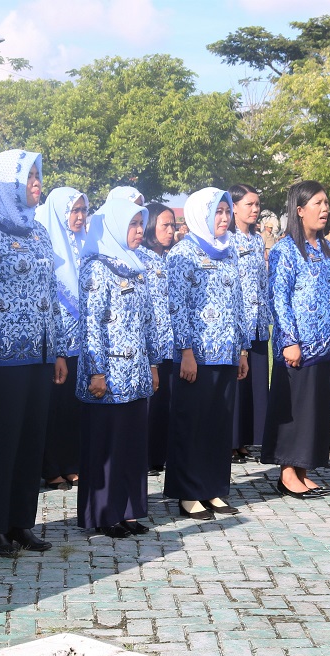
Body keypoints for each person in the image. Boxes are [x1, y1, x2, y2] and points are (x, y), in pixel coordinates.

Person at [0, 149, 65, 557]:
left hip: (37, 357)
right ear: (6, 184)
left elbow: (49, 295)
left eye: (40, 176)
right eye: (30, 177)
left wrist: (54, 349)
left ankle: (21, 521)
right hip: (0, 361)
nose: (38, 183)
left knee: (28, 442)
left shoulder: (38, 232)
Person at [262, 181, 330, 498]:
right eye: (318, 203)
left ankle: (304, 469)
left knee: (318, 409)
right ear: (299, 210)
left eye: (326, 202)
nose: (325, 208)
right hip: (299, 346)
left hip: (327, 345)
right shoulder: (285, 250)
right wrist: (288, 339)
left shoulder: (328, 248)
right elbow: (278, 298)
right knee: (297, 411)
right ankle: (288, 473)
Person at [77, 200, 161, 537]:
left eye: (142, 224)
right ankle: (102, 514)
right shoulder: (97, 267)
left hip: (136, 374)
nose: (140, 231)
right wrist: (96, 371)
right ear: (113, 225)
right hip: (108, 377)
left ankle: (127, 510)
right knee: (107, 448)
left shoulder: (135, 265)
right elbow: (91, 323)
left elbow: (148, 320)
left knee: (130, 446)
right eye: (133, 224)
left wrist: (153, 364)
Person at [164, 188, 249, 520]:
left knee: (217, 425)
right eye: (218, 212)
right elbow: (177, 307)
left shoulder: (229, 252)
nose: (225, 218)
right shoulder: (182, 254)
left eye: (227, 211)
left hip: (225, 353)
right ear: (202, 214)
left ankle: (213, 488)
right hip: (195, 356)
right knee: (192, 424)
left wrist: (241, 349)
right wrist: (185, 350)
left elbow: (238, 302)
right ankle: (189, 492)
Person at [37, 187, 88, 492]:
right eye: (74, 210)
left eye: (83, 210)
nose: (80, 217)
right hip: (56, 344)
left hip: (83, 343)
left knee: (74, 407)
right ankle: (51, 467)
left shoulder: (86, 245)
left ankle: (72, 463)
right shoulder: (47, 246)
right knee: (53, 408)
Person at [229, 183, 270, 463]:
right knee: (237, 382)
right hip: (236, 321)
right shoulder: (226, 240)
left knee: (256, 381)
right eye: (249, 205)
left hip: (258, 320)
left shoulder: (257, 240)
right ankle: (232, 440)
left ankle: (250, 437)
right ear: (233, 207)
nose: (255, 210)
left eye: (257, 205)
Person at [141, 202, 176, 476]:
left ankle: (159, 455)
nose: (171, 230)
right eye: (165, 225)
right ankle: (145, 455)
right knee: (149, 404)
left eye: (173, 225)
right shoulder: (138, 258)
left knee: (165, 402)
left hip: (170, 344)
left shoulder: (170, 258)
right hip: (146, 345)